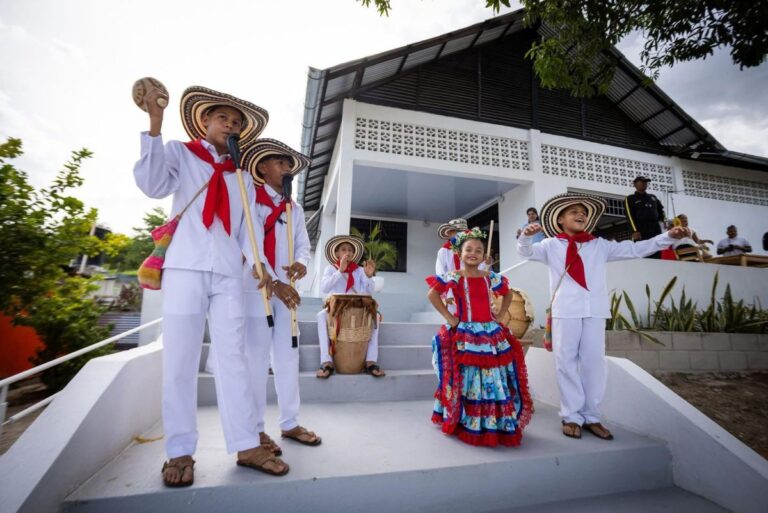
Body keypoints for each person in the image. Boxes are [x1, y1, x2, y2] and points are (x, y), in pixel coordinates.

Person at [134, 86, 284, 484]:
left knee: (233, 358)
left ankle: (247, 443)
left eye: (236, 123)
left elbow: (246, 233)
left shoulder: (242, 178)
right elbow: (151, 184)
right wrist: (154, 125)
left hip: (227, 276)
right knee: (180, 360)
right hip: (184, 267)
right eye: (223, 119)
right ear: (204, 121)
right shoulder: (181, 154)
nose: (230, 125)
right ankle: (179, 452)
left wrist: (260, 267)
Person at [518, 192, 690, 440]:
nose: (581, 215)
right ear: (560, 221)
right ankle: (572, 416)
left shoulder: (599, 245)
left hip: (595, 310)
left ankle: (592, 416)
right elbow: (525, 253)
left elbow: (636, 248)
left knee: (594, 362)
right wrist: (525, 236)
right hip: (565, 310)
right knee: (565, 362)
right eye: (574, 212)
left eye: (584, 213)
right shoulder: (550, 245)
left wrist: (667, 237)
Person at [240, 139, 321, 460]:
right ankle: (257, 428)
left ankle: (290, 422)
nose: (288, 170)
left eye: (290, 166)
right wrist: (273, 282)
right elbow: (252, 245)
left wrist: (302, 262)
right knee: (257, 361)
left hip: (287, 291)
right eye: (281, 163)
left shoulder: (294, 208)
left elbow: (303, 244)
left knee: (288, 356)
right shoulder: (251, 202)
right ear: (262, 167)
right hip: (256, 289)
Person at [426, 227, 532, 447]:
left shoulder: (490, 277)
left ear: (484, 256)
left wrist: (501, 314)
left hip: (489, 332)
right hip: (465, 331)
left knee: (492, 374)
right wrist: (450, 318)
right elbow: (433, 294)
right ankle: (467, 419)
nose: (473, 253)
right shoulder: (454, 276)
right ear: (460, 254)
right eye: (468, 249)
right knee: (469, 375)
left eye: (478, 250)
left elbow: (508, 293)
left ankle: (491, 420)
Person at [316, 235, 384, 378]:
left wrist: (369, 276)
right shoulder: (330, 269)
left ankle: (370, 361)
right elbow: (324, 288)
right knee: (321, 315)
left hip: (357, 306)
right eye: (343, 249)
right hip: (337, 307)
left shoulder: (359, 270)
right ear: (337, 253)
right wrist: (340, 271)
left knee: (376, 316)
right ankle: (326, 361)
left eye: (350, 250)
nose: (348, 252)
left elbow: (369, 290)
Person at [435, 218, 490, 313]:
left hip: (471, 287)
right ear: (449, 233)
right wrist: (447, 293)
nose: (458, 234)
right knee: (455, 317)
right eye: (455, 232)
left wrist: (485, 263)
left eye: (461, 232)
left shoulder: (470, 250)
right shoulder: (443, 251)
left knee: (473, 315)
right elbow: (440, 272)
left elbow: (478, 268)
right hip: (452, 289)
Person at [624, 176, 665, 258]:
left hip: (655, 228)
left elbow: (661, 211)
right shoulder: (630, 199)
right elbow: (629, 216)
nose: (644, 184)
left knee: (656, 249)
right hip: (641, 229)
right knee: (643, 251)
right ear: (635, 184)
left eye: (646, 182)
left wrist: (663, 222)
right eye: (642, 182)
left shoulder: (653, 197)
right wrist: (634, 231)